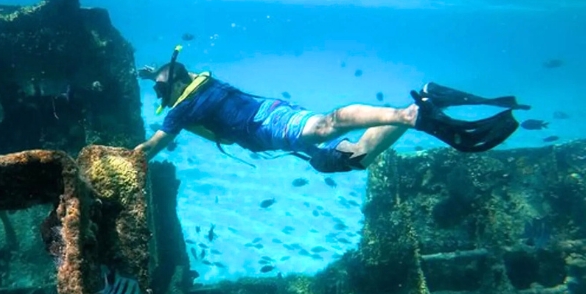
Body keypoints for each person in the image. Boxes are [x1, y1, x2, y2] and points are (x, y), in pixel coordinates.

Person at [133, 46, 530, 173]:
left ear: (177, 85)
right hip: (273, 117)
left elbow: (153, 146)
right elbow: (173, 73)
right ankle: (420, 103)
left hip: (269, 125)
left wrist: (122, 161)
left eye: (162, 89)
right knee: (355, 158)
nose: (160, 96)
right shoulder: (200, 82)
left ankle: (408, 116)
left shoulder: (181, 111)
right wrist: (154, 72)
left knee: (326, 126)